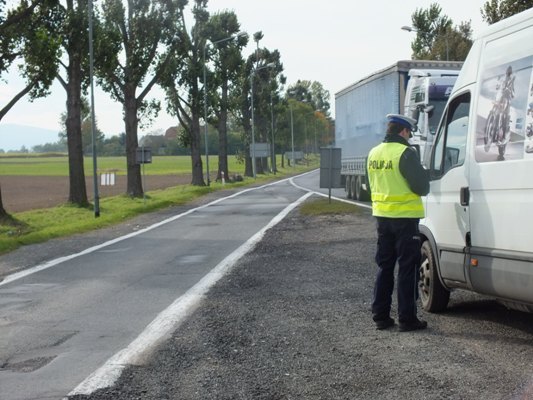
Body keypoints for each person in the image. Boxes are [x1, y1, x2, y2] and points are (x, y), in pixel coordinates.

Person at [367, 114, 430, 332]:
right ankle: (407, 318)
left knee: (385, 266)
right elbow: (422, 186)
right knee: (407, 267)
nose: (410, 136)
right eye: (409, 133)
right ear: (403, 131)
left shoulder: (373, 153)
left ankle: (380, 316)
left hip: (382, 218)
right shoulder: (405, 153)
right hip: (404, 219)